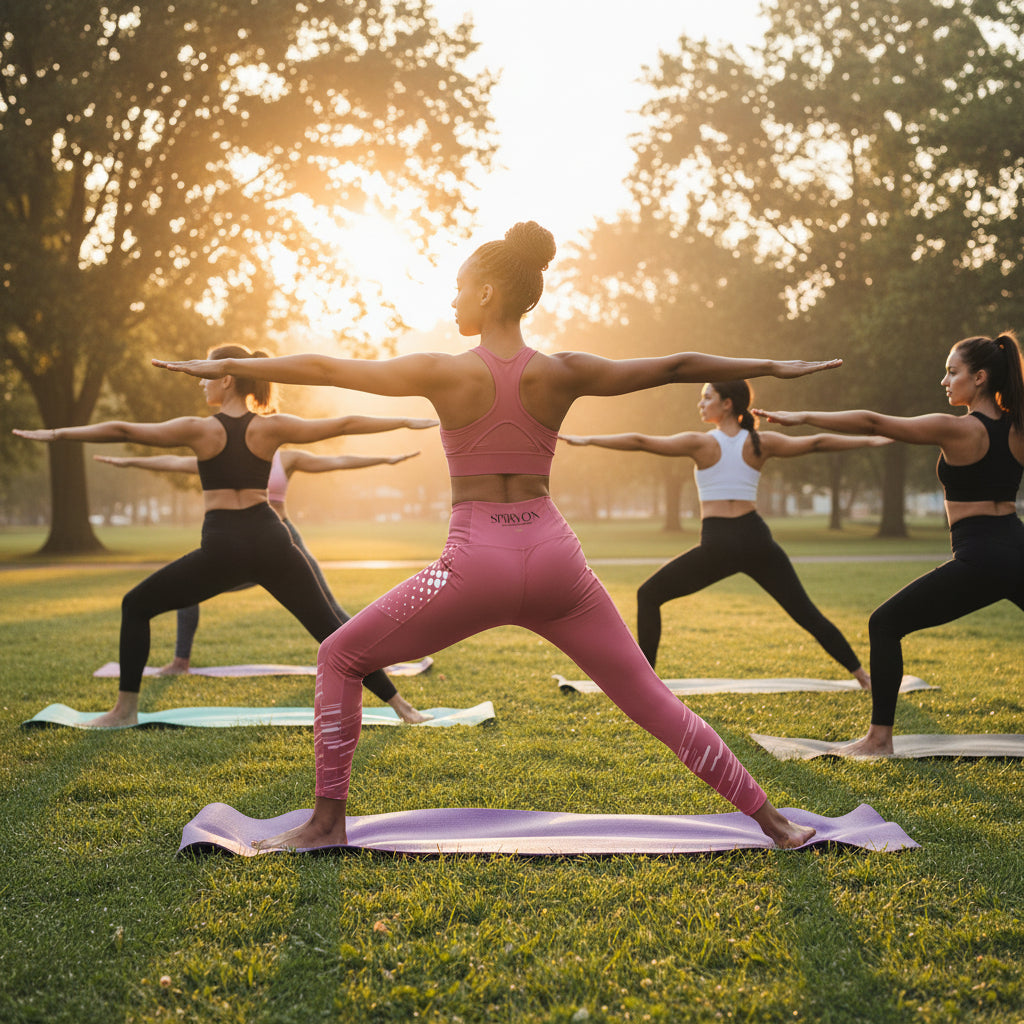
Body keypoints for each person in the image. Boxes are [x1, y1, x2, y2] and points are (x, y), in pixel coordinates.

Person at [156, 221, 843, 849]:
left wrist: (237, 370)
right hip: (557, 561)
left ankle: (326, 822)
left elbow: (332, 370)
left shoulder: (444, 370)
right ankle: (774, 823)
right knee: (650, 699)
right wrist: (770, 368)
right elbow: (672, 365)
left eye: (460, 286)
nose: (453, 298)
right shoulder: (562, 370)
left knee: (339, 656)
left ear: (487, 291)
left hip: (474, 563)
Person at [14, 344, 437, 727]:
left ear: (227, 378)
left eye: (206, 374)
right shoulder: (271, 428)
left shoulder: (200, 430)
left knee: (136, 605)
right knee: (330, 627)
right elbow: (343, 423)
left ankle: (124, 711)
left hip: (223, 547)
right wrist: (403, 419)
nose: (202, 383)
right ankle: (402, 707)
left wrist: (56, 435)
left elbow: (125, 430)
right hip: (271, 539)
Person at [755, 330, 1024, 755]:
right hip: (1016, 547)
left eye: (952, 372)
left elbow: (874, 422)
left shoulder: (958, 429)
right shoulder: (1017, 428)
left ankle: (879, 739)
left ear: (980, 378)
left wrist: (803, 415)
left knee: (884, 624)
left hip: (982, 558)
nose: (944, 381)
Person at [561, 379, 890, 687]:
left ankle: (647, 687)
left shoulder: (701, 443)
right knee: (806, 613)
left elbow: (641, 441)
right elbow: (816, 443)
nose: (701, 403)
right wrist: (871, 439)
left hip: (718, 545)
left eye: (707, 397)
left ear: (727, 403)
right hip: (756, 540)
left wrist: (588, 439)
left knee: (649, 595)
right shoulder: (761, 442)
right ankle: (863, 677)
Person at [94, 445, 421, 675]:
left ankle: (375, 659)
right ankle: (180, 662)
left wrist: (385, 457)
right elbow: (177, 462)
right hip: (238, 544)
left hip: (283, 540)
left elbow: (336, 460)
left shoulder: (287, 456)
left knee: (328, 608)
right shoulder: (227, 455)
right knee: (186, 591)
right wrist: (128, 463)